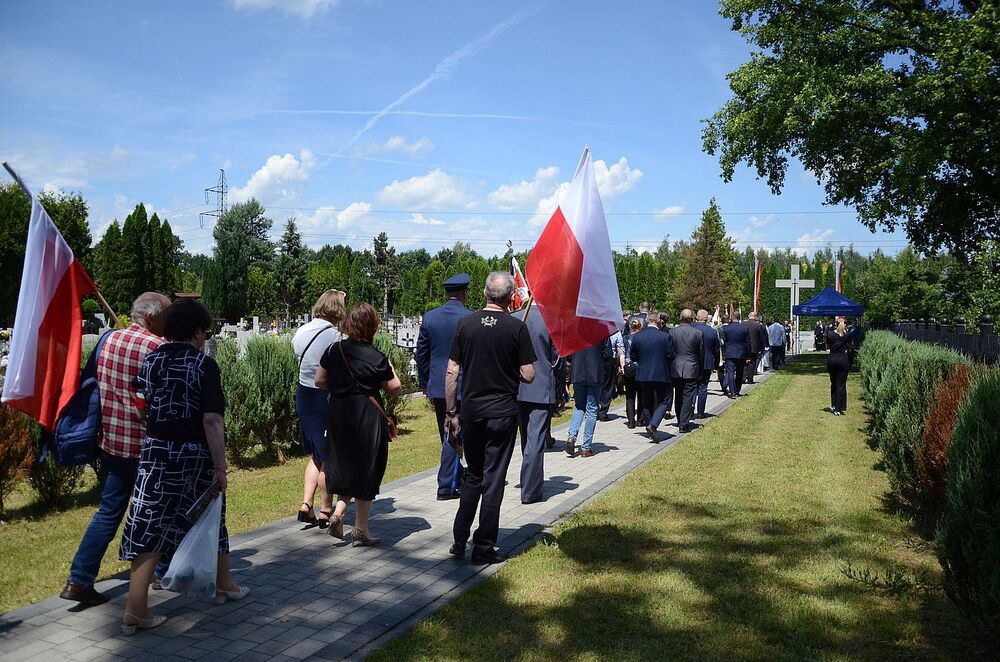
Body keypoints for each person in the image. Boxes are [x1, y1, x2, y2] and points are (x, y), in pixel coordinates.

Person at [119, 299, 247, 635]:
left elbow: (141, 406)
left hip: (156, 453)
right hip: (194, 457)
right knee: (210, 516)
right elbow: (212, 420)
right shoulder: (204, 366)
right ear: (198, 331)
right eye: (205, 331)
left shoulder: (150, 361)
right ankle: (223, 584)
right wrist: (221, 466)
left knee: (150, 525)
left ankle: (136, 606)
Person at [60, 293, 172, 608]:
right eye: (168, 316)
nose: (171, 322)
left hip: (112, 444)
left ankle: (79, 579)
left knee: (108, 513)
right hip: (147, 448)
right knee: (159, 513)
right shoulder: (157, 349)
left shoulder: (108, 342)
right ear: (153, 318)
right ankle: (161, 573)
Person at [445, 272, 536, 565]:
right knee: (494, 480)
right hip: (501, 414)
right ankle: (483, 547)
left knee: (473, 475)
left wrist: (450, 413)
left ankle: (460, 539)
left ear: (484, 293)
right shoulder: (515, 328)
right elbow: (529, 374)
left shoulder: (465, 324)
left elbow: (451, 372)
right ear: (511, 298)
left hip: (471, 412)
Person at [316, 303, 402, 544]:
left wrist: (340, 386)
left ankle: (340, 512)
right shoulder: (376, 356)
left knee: (346, 465)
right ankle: (361, 529)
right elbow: (394, 389)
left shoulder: (334, 350)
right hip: (367, 416)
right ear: (372, 327)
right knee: (367, 468)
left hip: (339, 413)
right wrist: (391, 369)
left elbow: (320, 380)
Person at [415, 273, 473, 501]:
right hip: (463, 385)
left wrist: (425, 382)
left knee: (447, 432)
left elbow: (422, 354)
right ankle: (446, 486)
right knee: (454, 434)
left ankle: (456, 475)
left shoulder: (430, 318)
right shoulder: (470, 318)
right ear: (464, 293)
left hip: (439, 386)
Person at [291, 289, 346, 528]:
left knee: (316, 453)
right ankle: (325, 508)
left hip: (304, 394)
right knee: (328, 456)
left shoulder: (301, 331)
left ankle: (306, 503)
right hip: (325, 396)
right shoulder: (335, 336)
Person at [513, 302, 557, 503]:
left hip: (517, 387)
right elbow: (556, 358)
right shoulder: (551, 319)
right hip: (540, 386)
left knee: (528, 440)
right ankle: (531, 490)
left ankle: (530, 480)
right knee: (536, 440)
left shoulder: (515, 317)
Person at [630, 312, 674, 442]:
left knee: (646, 401)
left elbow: (633, 356)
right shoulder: (665, 336)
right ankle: (653, 425)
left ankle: (650, 425)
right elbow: (670, 355)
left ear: (648, 321)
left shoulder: (637, 336)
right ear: (658, 321)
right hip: (660, 372)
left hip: (643, 373)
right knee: (664, 401)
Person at [565, 338, 609, 458]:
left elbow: (568, 354)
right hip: (595, 373)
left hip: (578, 372)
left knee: (579, 407)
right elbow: (608, 353)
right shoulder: (602, 330)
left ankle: (571, 436)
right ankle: (586, 447)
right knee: (592, 410)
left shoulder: (575, 330)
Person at [669, 308, 704, 433]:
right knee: (688, 396)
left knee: (679, 395)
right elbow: (701, 354)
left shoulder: (672, 332)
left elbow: (669, 351)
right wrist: (701, 369)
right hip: (691, 367)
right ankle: (683, 423)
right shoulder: (697, 333)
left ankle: (681, 420)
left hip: (677, 368)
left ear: (680, 318)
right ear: (692, 318)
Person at [692, 309, 721, 419]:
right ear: (706, 319)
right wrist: (717, 364)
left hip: (693, 362)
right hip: (707, 363)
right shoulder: (712, 331)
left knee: (692, 387)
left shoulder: (692, 329)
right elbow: (716, 350)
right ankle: (700, 412)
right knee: (703, 388)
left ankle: (690, 409)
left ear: (697, 318)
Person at [826, 316, 851, 415]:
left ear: (835, 324)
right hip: (843, 360)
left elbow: (827, 347)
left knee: (834, 383)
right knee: (841, 384)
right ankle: (839, 407)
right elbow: (850, 346)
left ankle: (834, 404)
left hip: (832, 359)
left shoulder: (830, 334)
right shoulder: (847, 335)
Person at [598, 330, 624, 420]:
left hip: (597, 359)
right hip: (609, 360)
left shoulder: (597, 329)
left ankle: (596, 409)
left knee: (598, 385)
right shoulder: (616, 332)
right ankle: (603, 411)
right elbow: (620, 349)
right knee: (608, 386)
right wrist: (622, 364)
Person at [622, 317, 644, 428]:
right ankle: (640, 419)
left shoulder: (625, 338)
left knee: (630, 396)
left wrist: (621, 366)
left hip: (628, 368)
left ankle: (631, 421)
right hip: (640, 368)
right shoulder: (643, 338)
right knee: (641, 395)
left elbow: (621, 353)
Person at [723, 312, 751, 399]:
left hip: (730, 353)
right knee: (740, 372)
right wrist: (748, 355)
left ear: (732, 317)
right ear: (739, 318)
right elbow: (748, 343)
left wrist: (724, 353)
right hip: (741, 353)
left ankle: (732, 392)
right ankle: (737, 391)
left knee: (730, 372)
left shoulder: (726, 328)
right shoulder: (744, 328)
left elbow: (724, 342)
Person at [745, 312, 767, 382]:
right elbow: (761, 338)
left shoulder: (743, 324)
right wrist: (761, 347)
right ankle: (750, 379)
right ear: (755, 317)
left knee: (744, 363)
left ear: (749, 316)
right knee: (752, 363)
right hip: (754, 347)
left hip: (744, 347)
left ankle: (742, 378)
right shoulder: (758, 326)